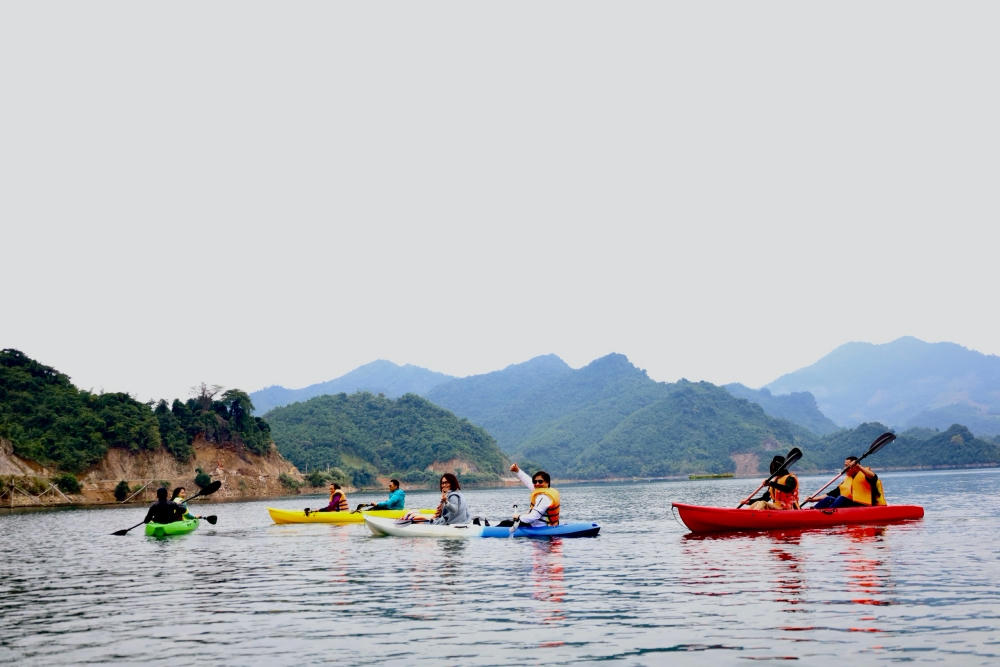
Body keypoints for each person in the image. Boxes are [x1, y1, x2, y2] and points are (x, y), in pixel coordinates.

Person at [807, 456, 885, 508]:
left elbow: (873, 477)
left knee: (842, 498)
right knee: (829, 498)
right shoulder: (847, 480)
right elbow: (831, 494)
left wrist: (859, 467)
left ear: (855, 467)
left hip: (866, 505)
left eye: (847, 466)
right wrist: (813, 499)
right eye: (845, 465)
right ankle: (813, 511)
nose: (845, 468)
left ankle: (828, 514)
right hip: (851, 505)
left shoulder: (866, 475)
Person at [501, 463, 560, 527]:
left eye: (540, 481)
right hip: (544, 525)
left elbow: (534, 516)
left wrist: (519, 517)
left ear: (547, 482)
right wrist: (517, 470)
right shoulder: (543, 491)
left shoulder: (544, 497)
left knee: (505, 523)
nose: (537, 484)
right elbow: (528, 481)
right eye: (535, 482)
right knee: (506, 522)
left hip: (539, 527)